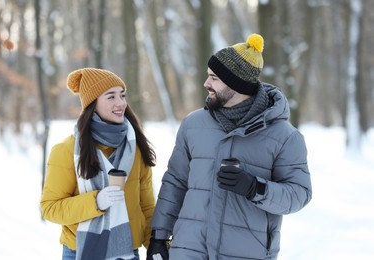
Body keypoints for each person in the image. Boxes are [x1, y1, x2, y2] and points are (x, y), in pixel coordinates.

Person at [146, 34, 312, 260]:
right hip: (189, 250)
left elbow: (299, 194)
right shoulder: (193, 125)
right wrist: (159, 236)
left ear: (236, 84)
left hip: (246, 252)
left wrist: (255, 188)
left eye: (214, 78)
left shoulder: (285, 137)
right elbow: (175, 182)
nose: (206, 84)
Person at [40, 68, 156, 260]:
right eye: (111, 97)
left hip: (127, 252)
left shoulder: (134, 148)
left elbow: (147, 207)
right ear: (92, 105)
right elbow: (50, 208)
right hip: (80, 251)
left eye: (122, 95)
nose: (121, 103)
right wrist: (96, 201)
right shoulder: (66, 150)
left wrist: (156, 245)